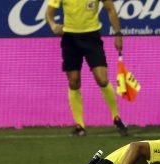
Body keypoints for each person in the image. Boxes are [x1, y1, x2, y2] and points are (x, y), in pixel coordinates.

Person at [45, 0, 128, 137]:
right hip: (70, 39)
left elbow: (111, 9)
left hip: (92, 37)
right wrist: (53, 25)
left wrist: (118, 34)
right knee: (74, 82)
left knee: (102, 79)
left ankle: (116, 117)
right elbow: (49, 12)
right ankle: (80, 125)